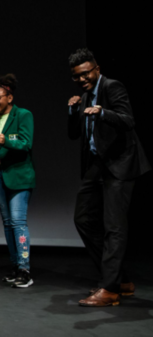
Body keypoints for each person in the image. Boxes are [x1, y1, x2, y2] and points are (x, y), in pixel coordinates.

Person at [67, 48, 150, 306]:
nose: (82, 79)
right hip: (97, 165)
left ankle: (111, 288)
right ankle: (120, 279)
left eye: (86, 73)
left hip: (119, 164)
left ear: (97, 69)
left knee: (114, 227)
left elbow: (128, 120)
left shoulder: (112, 87)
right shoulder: (84, 96)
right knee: (82, 219)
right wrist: (73, 111)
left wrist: (102, 112)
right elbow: (74, 135)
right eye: (77, 76)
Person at [0, 74, 35, 288]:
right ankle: (15, 266)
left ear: (9, 97)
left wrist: (7, 140)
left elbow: (26, 143)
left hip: (19, 175)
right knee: (7, 223)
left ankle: (24, 269)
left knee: (18, 222)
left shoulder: (23, 114)